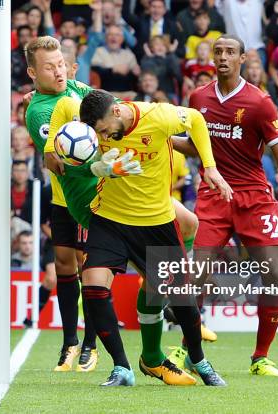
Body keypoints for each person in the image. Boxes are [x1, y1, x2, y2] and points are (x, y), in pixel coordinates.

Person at [170, 34, 278, 377]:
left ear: (242, 58)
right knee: (197, 274)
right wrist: (161, 137)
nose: (223, 57)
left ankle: (260, 357)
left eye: (230, 52)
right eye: (218, 51)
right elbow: (195, 146)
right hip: (213, 195)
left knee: (273, 273)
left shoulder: (259, 102)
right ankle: (188, 350)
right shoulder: (197, 97)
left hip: (254, 197)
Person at [77, 89, 230, 386]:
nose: (104, 135)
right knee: (94, 287)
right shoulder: (93, 130)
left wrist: (208, 166)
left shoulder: (158, 116)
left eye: (105, 130)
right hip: (110, 218)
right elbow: (84, 163)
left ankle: (198, 359)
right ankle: (122, 368)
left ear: (117, 111)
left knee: (182, 299)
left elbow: (196, 119)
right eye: (99, 133)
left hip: (155, 222)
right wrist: (103, 168)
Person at [25, 36, 137, 372]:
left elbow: (112, 106)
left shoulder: (77, 87)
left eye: (60, 63)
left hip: (98, 196)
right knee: (63, 264)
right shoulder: (39, 113)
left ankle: (90, 343)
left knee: (92, 267)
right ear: (33, 72)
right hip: (65, 195)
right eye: (49, 67)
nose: (58, 72)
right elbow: (60, 161)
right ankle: (69, 341)